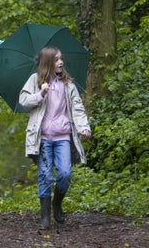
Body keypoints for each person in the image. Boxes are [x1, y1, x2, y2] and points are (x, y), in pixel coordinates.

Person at [18, 46, 91, 230]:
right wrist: (40, 93)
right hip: (42, 138)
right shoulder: (35, 80)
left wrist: (83, 127)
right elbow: (24, 101)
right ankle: (45, 217)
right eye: (57, 59)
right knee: (45, 176)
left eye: (61, 59)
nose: (61, 62)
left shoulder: (68, 85)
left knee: (65, 174)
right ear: (48, 62)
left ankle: (57, 203)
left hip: (62, 137)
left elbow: (77, 108)